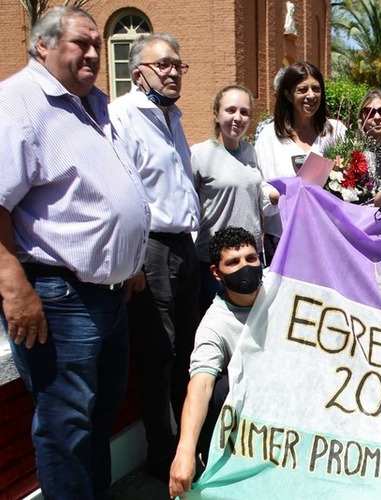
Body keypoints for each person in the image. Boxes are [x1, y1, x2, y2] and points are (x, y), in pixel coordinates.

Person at [0, 7, 151, 498]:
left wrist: (127, 265)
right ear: (42, 46)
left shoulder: (95, 103)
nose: (93, 53)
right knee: (65, 432)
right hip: (59, 301)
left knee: (98, 421)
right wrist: (14, 289)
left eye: (96, 45)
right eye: (80, 43)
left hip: (108, 298)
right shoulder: (19, 103)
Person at [109, 33, 201, 480]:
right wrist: (132, 262)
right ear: (137, 71)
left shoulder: (173, 118)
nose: (172, 72)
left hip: (183, 246)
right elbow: (120, 193)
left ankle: (186, 446)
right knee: (158, 356)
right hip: (152, 250)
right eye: (163, 64)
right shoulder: (122, 116)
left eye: (178, 65)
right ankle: (162, 458)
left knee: (185, 351)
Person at [168, 227, 263, 499]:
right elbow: (200, 385)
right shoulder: (214, 324)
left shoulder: (281, 290)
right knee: (220, 389)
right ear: (216, 273)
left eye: (250, 258)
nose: (245, 267)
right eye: (233, 262)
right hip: (251, 410)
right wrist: (185, 451)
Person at [191, 85, 278, 313]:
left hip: (250, 257)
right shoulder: (198, 155)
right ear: (216, 114)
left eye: (244, 112)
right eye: (230, 110)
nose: (237, 118)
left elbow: (260, 198)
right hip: (216, 262)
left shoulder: (251, 152)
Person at [255, 61, 346, 263]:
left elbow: (351, 181)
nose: (311, 95)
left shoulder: (336, 131)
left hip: (328, 237)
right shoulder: (269, 136)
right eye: (302, 89)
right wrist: (276, 197)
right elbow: (259, 183)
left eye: (316, 89)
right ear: (288, 95)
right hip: (283, 237)